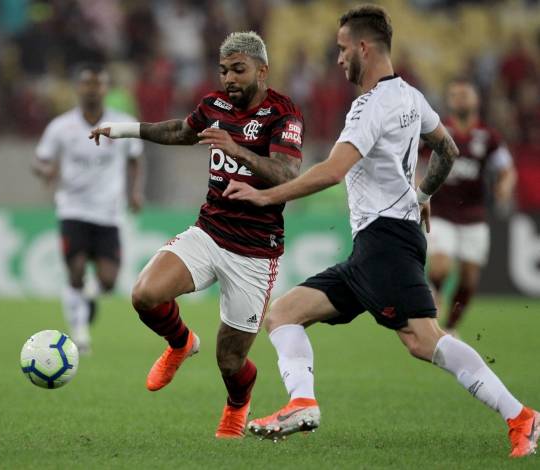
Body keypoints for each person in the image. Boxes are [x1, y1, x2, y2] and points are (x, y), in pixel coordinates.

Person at [223, 5, 538, 458]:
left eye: (342, 49)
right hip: (377, 244)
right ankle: (302, 402)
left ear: (363, 48)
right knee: (283, 313)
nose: (337, 59)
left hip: (385, 242)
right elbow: (445, 149)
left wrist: (266, 197)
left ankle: (522, 417)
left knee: (423, 339)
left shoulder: (369, 107)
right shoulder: (410, 96)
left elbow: (333, 172)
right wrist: (424, 194)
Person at [89, 31, 304, 438]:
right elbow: (178, 131)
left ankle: (238, 403)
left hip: (255, 252)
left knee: (230, 361)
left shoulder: (284, 113)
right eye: (224, 71)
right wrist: (121, 130)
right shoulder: (214, 105)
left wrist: (236, 149)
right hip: (209, 231)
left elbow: (288, 173)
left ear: (262, 70)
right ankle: (181, 342)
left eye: (238, 70)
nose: (229, 79)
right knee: (145, 294)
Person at [32, 63, 144, 355]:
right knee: (76, 270)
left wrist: (134, 192)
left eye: (98, 84)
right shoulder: (61, 127)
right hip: (73, 210)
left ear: (106, 89)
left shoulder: (122, 123)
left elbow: (134, 158)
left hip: (108, 212)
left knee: (108, 280)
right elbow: (40, 159)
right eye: (86, 84)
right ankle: (80, 336)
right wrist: (45, 171)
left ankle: (88, 298)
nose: (92, 89)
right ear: (78, 88)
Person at [422, 78, 516, 335]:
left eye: (465, 94)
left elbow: (506, 169)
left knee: (469, 280)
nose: (460, 99)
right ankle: (437, 291)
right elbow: (414, 159)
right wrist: (417, 186)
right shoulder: (438, 131)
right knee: (441, 265)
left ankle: (450, 328)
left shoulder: (489, 136)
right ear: (449, 101)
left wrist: (505, 185)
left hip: (474, 215)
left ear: (476, 100)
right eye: (455, 95)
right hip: (441, 211)